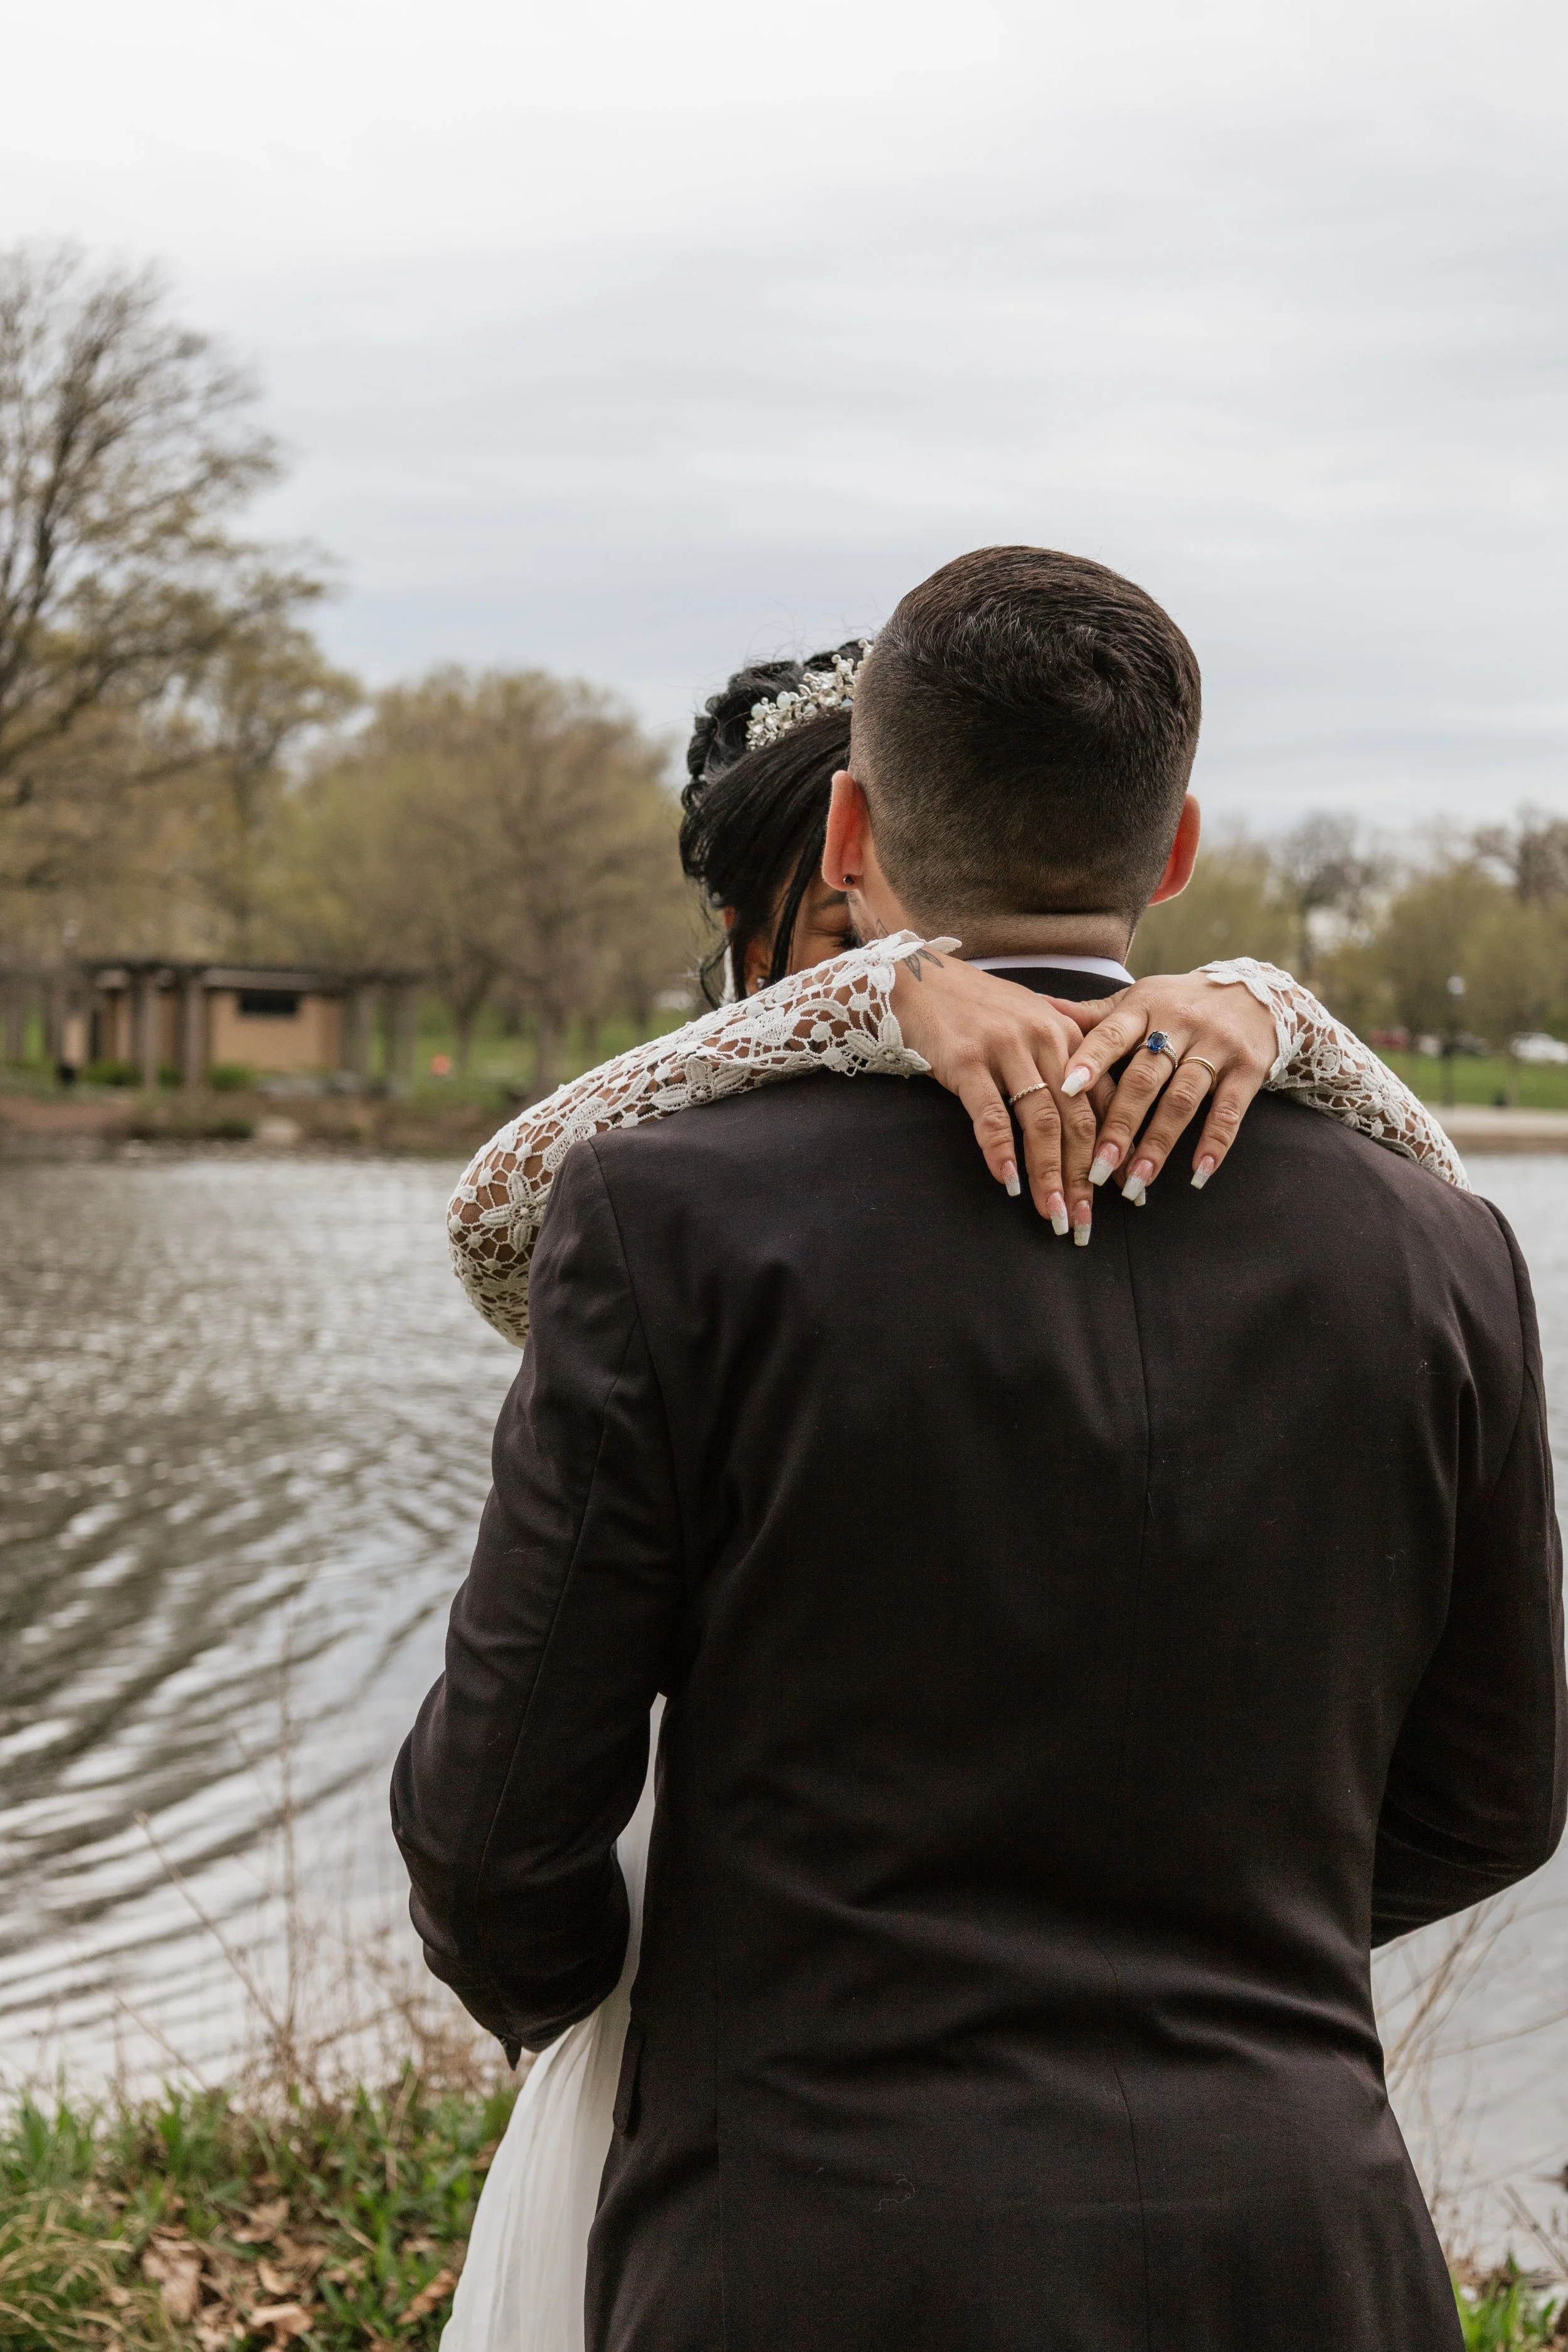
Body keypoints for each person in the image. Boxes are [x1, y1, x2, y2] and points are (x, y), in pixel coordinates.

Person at [398, 549, 1564, 2352]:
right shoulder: (1437, 1245)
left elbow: (490, 1833)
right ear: (1172, 849)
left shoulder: (665, 1214)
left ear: (849, 825)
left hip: (805, 2247)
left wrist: (676, 2019)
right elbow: (1496, 1795)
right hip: (1292, 2247)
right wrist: (1242, 1966)